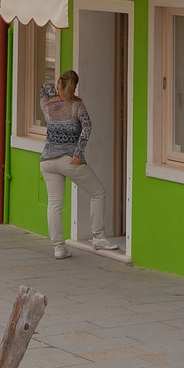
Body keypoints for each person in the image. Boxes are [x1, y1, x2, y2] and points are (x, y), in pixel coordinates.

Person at [39, 69, 120, 259]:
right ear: (75, 86)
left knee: (54, 205)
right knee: (98, 193)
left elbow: (44, 86)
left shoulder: (47, 104)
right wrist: (78, 152)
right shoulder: (77, 104)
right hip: (69, 160)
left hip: (47, 161)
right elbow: (87, 127)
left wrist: (56, 92)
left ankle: (58, 248)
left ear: (59, 81)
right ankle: (98, 237)